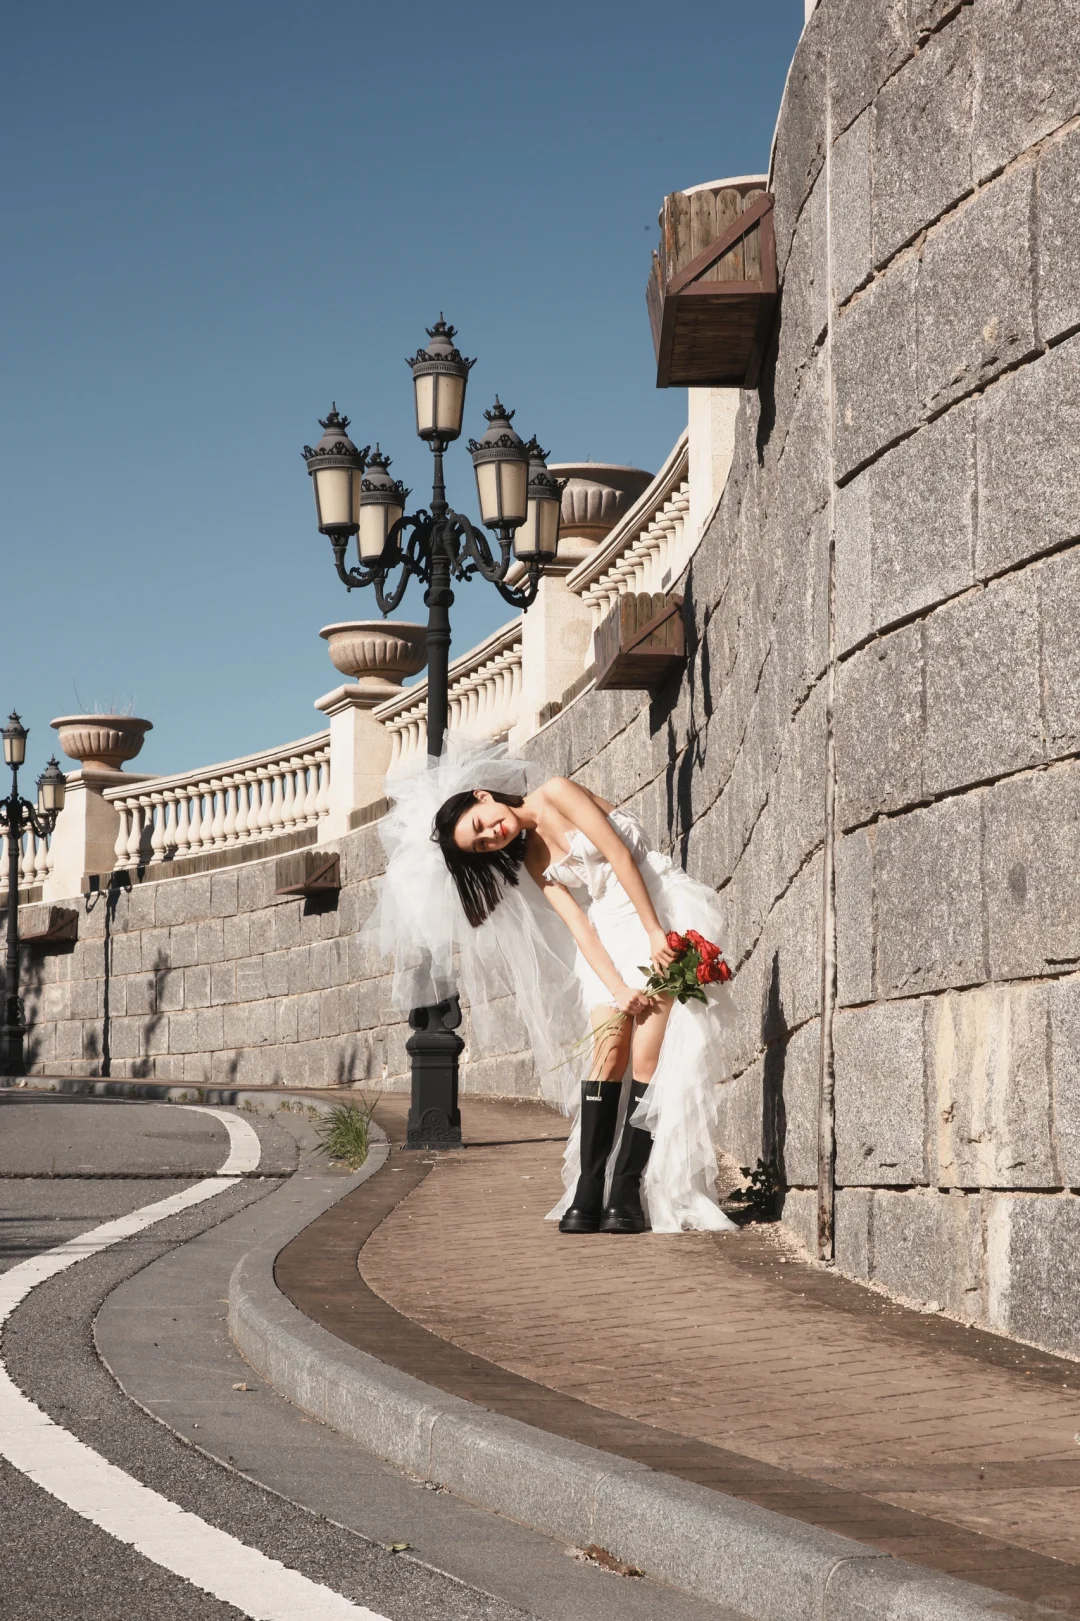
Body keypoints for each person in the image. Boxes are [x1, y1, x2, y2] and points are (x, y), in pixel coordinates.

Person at [364, 741, 737, 1235]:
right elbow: (579, 925)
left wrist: (654, 933)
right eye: (481, 846)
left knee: (648, 1058)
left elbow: (620, 857)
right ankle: (589, 1188)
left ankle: (625, 1190)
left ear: (483, 797)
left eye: (481, 825)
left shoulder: (557, 792)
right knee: (607, 1054)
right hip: (607, 933)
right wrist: (615, 985)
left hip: (655, 906)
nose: (492, 836)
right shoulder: (531, 857)